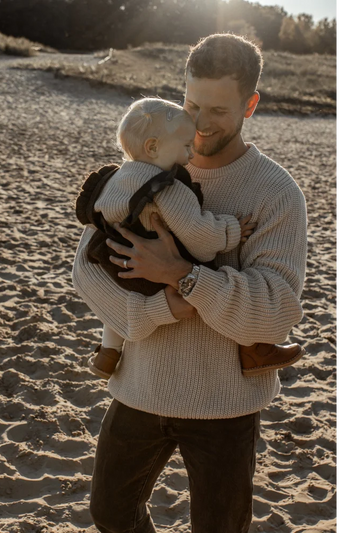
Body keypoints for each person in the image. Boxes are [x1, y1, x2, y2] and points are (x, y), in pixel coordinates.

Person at [72, 33, 308, 533]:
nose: (199, 124)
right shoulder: (145, 167)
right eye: (192, 103)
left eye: (218, 111)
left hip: (225, 404)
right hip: (139, 387)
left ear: (251, 104)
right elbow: (86, 270)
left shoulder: (276, 191)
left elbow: (276, 310)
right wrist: (153, 311)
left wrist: (179, 274)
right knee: (111, 513)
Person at [74, 96, 304, 381]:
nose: (190, 156)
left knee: (120, 301)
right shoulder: (167, 188)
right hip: (155, 280)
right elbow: (199, 236)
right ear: (153, 147)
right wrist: (232, 231)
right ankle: (254, 349)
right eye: (185, 147)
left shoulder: (111, 180)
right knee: (211, 275)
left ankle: (108, 353)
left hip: (118, 266)